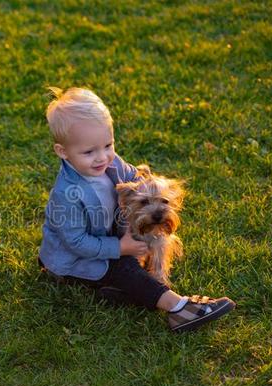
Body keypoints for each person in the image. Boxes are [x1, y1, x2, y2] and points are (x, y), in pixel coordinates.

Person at [38, 87, 235, 332]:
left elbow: (133, 175)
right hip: (74, 261)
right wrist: (119, 248)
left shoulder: (110, 162)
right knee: (125, 267)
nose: (102, 157)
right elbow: (76, 242)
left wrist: (150, 189)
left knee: (140, 251)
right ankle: (178, 308)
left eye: (108, 145)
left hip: (107, 237)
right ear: (63, 152)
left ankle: (120, 293)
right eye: (89, 152)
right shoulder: (67, 194)